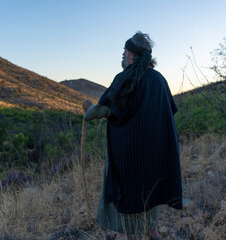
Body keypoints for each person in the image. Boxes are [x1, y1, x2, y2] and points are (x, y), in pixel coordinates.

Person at [82, 31, 182, 240]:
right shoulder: (160, 79)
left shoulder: (125, 80)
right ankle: (152, 231)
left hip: (130, 159)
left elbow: (103, 110)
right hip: (156, 158)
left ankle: (121, 235)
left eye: (124, 50)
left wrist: (88, 109)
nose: (122, 54)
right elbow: (168, 112)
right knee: (151, 194)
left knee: (127, 203)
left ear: (130, 55)